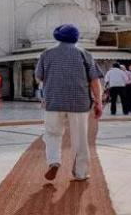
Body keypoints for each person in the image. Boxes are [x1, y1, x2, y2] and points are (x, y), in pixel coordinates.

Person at [35, 24, 103, 182]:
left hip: (54, 101)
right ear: (76, 37)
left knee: (52, 134)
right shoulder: (84, 53)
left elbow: (39, 77)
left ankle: (54, 162)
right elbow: (94, 80)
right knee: (80, 138)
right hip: (79, 103)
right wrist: (98, 102)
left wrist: (48, 91)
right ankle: (81, 172)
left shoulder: (47, 54)